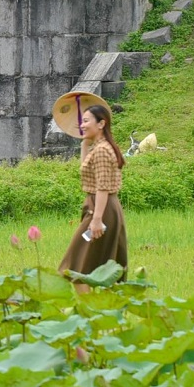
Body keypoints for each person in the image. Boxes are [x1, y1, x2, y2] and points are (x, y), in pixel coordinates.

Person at [58, 104, 127, 282]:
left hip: (101, 209)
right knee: (92, 265)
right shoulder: (99, 147)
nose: (82, 125)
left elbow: (102, 187)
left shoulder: (102, 151)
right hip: (100, 207)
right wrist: (84, 145)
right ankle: (97, 307)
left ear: (101, 124)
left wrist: (97, 219)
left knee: (76, 267)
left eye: (86, 121)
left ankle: (88, 308)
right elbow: (86, 172)